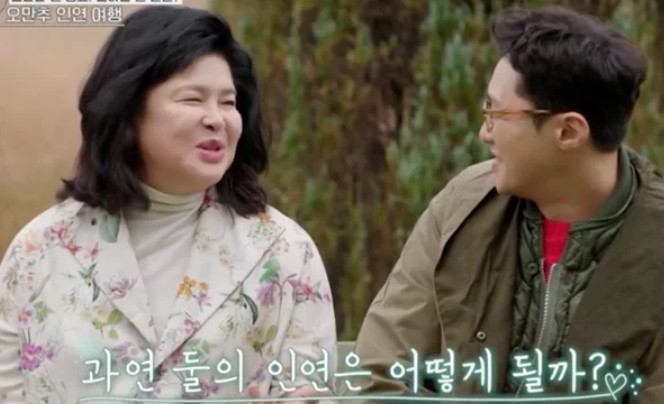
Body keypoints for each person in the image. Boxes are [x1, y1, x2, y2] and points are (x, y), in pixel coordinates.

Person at [0, 5, 337, 403]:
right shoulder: (40, 251)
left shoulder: (285, 254)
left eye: (228, 103)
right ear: (128, 109)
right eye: (193, 99)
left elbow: (311, 390)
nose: (216, 119)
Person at [353, 4, 664, 403]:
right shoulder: (464, 207)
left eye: (496, 112)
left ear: (568, 132)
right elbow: (381, 372)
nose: (485, 133)